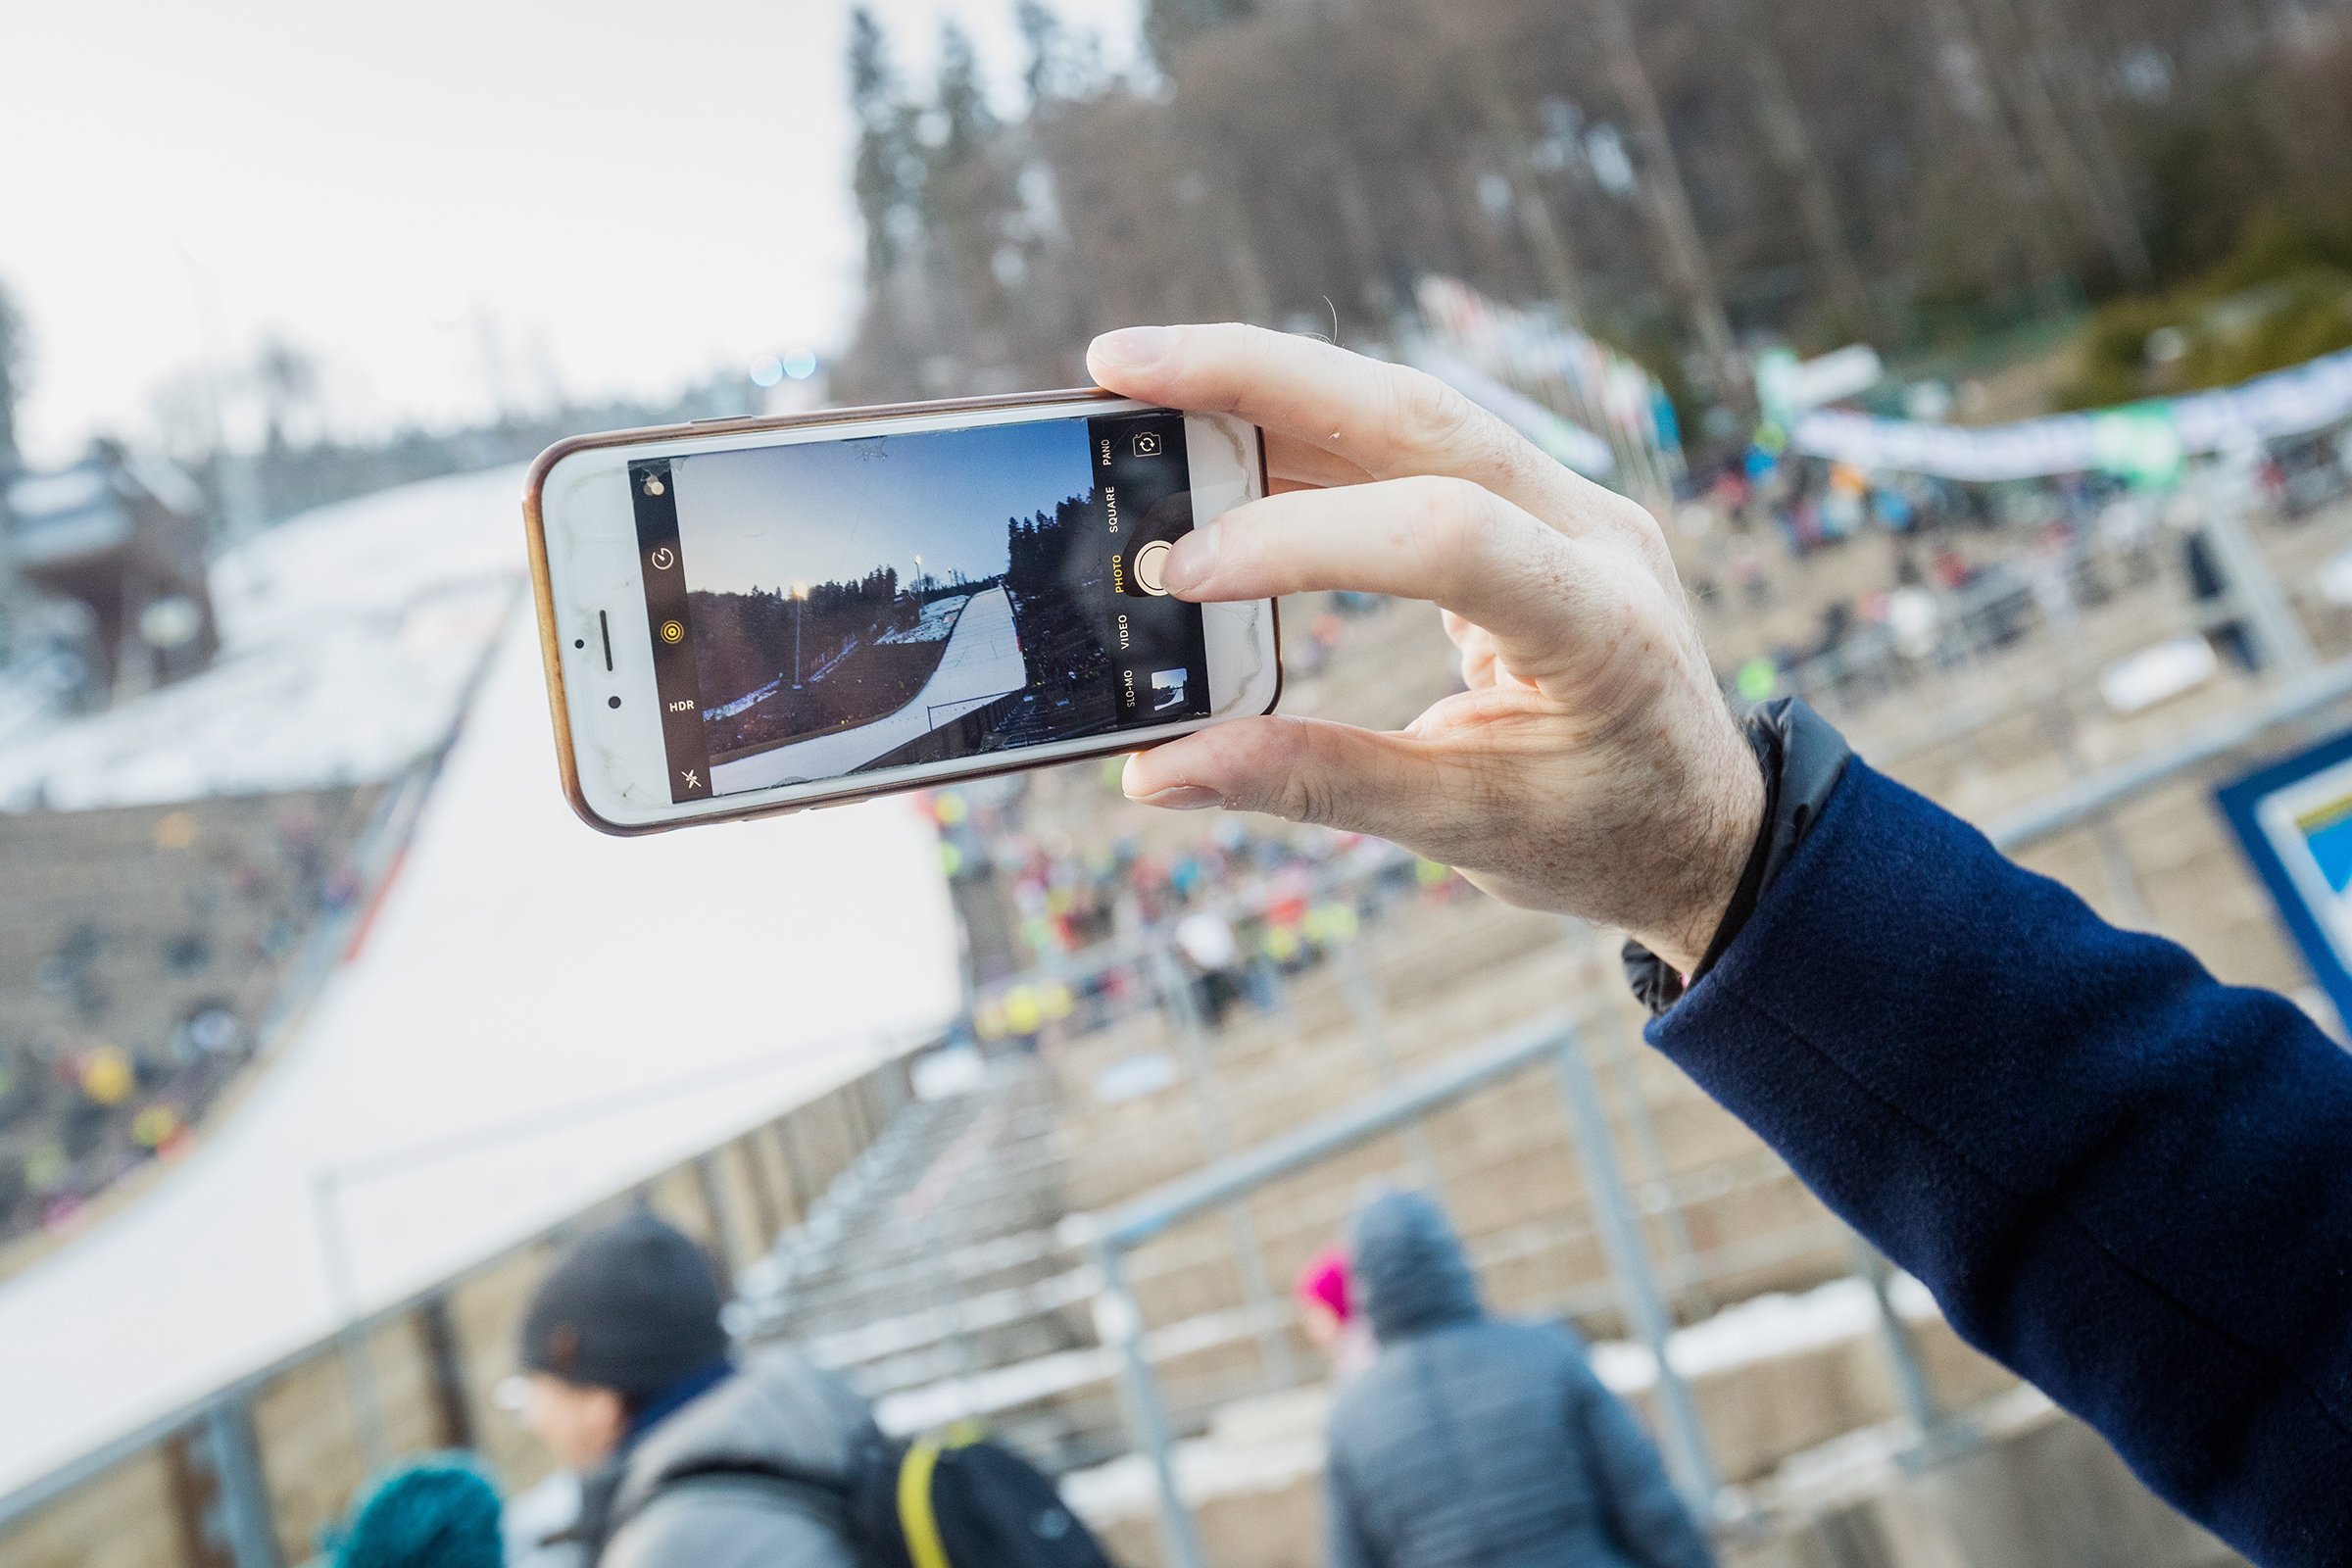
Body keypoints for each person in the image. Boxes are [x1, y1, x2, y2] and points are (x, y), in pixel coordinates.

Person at [1084, 322, 2352, 1568]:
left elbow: (2268, 1290)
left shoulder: (1355, 1423)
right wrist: (1716, 860)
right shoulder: (1540, 1355)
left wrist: (1721, 864)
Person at [1323, 1192, 1711, 1568]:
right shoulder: (1546, 1350)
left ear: (1365, 1286)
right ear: (1452, 1258)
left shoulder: (1349, 1419)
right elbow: (1647, 1504)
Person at [514, 1210, 876, 1568]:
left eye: (540, 1387)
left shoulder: (668, 1547)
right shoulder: (821, 1416)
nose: (532, 1417)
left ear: (600, 1403)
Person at [1295, 1245, 1375, 1385]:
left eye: (1314, 1311)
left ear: (1338, 1306)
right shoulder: (1349, 1356)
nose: (1309, 1323)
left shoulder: (1361, 1362)